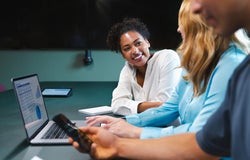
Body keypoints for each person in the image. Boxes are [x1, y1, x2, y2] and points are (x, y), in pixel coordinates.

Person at [69, 0, 250, 159]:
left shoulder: (232, 64)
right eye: (126, 48)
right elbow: (169, 108)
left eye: (183, 22)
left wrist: (134, 133)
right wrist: (124, 124)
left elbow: (201, 140)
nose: (178, 29)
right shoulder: (195, 62)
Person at [106, 18, 181, 116]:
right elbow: (116, 105)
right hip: (146, 126)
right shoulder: (128, 69)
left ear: (147, 42)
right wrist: (150, 106)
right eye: (127, 48)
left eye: (138, 43)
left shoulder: (168, 58)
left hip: (173, 128)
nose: (135, 51)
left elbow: (165, 107)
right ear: (123, 55)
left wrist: (132, 107)